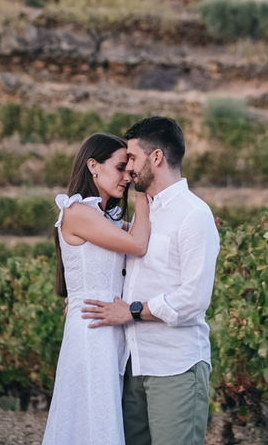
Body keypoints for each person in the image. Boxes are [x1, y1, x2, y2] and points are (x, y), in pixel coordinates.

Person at [82, 117, 220, 445]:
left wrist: (131, 311)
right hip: (132, 364)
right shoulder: (144, 215)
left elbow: (194, 298)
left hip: (175, 366)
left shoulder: (194, 215)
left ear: (156, 157)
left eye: (132, 158)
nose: (127, 168)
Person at [42, 133, 152, 445]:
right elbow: (138, 244)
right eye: (120, 168)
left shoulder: (106, 218)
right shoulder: (77, 212)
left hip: (109, 329)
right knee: (92, 420)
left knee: (98, 419)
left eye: (129, 171)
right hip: (93, 331)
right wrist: (143, 192)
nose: (127, 178)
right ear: (93, 166)